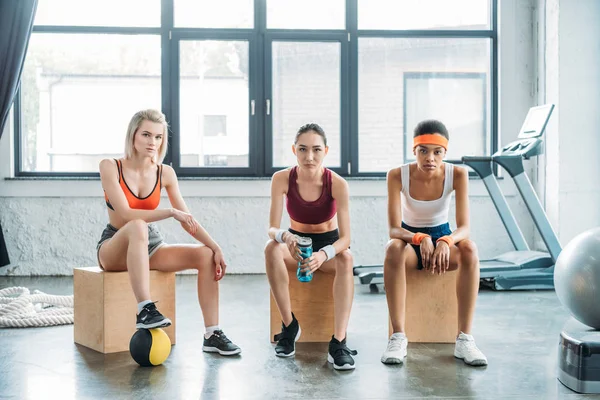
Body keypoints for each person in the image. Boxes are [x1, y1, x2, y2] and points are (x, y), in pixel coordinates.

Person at [97, 109, 240, 356]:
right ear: (133, 135)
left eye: (158, 137)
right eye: (146, 135)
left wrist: (216, 247)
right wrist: (171, 212)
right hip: (115, 245)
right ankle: (145, 309)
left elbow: (188, 220)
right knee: (138, 225)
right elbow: (129, 214)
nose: (153, 142)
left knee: (205, 255)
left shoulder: (165, 173)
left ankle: (212, 333)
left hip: (150, 245)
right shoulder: (110, 167)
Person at [380, 119, 487, 366]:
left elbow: (465, 228)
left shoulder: (457, 174)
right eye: (424, 151)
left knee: (470, 249)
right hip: (410, 241)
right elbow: (394, 229)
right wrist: (420, 238)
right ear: (414, 151)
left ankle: (465, 340)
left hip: (443, 240)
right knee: (392, 248)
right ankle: (397, 337)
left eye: (437, 152)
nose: (430, 158)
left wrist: (446, 241)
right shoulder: (397, 175)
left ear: (445, 153)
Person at [264, 123, 357, 370]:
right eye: (303, 149)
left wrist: (324, 255)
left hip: (328, 245)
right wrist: (286, 237)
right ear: (294, 150)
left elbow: (346, 239)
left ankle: (339, 341)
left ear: (326, 151)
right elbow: (272, 228)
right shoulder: (281, 179)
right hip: (296, 242)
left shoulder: (337, 184)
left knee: (347, 259)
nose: (309, 157)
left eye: (316, 150)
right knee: (270, 248)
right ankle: (289, 325)